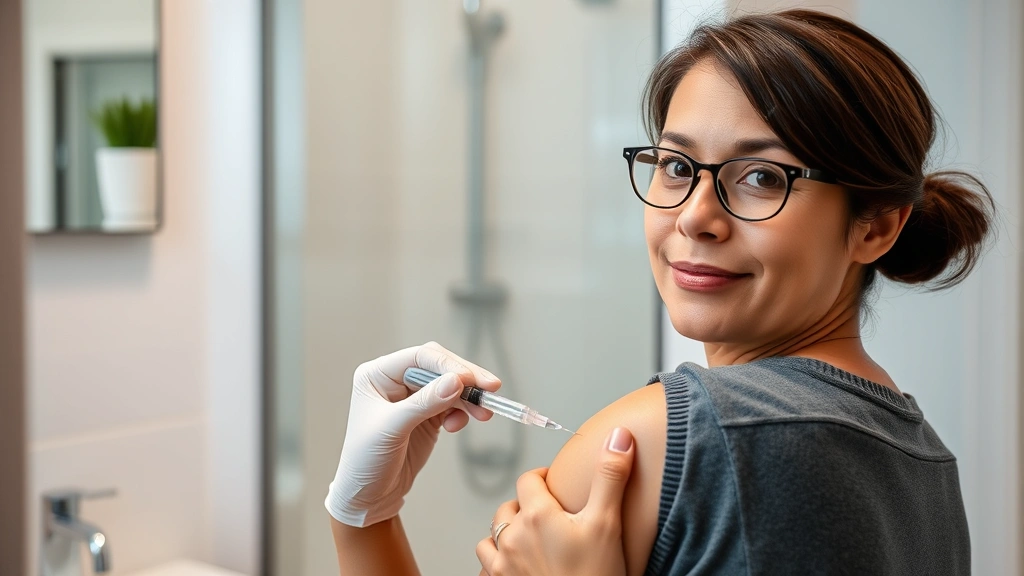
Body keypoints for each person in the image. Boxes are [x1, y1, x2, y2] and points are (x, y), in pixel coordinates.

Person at [326, 9, 994, 575]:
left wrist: (359, 520)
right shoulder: (928, 466)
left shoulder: (654, 440)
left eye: (761, 177)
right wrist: (369, 514)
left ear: (875, 225)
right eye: (676, 166)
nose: (695, 216)